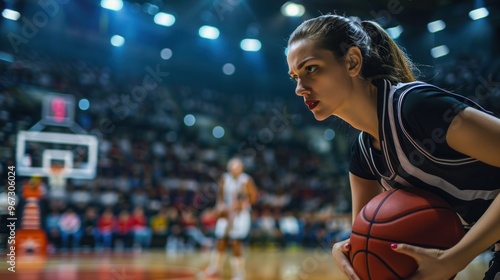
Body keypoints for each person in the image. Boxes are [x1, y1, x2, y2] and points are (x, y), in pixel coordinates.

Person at [286, 14, 500, 280]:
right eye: (295, 76)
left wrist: (455, 258)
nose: (299, 88)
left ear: (352, 61)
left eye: (311, 69)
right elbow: (365, 238)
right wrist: (350, 249)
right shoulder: (363, 156)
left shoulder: (416, 107)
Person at [204, 157, 258, 280]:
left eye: (237, 168)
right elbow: (220, 197)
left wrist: (240, 205)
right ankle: (215, 267)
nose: (234, 170)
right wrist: (220, 208)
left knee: (235, 242)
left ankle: (239, 273)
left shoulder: (246, 180)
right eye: (232, 168)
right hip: (226, 213)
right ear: (229, 169)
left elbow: (253, 197)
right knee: (220, 240)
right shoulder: (225, 178)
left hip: (240, 215)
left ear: (241, 169)